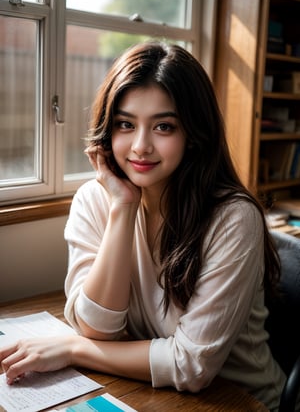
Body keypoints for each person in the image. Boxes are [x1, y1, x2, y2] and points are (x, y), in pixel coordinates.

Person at [0, 42, 285, 410]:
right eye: (125, 124)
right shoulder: (96, 199)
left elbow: (191, 365)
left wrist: (74, 349)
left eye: (164, 126)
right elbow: (97, 328)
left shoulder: (233, 218)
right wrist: (123, 207)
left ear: (193, 134)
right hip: (156, 393)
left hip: (238, 401)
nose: (140, 146)